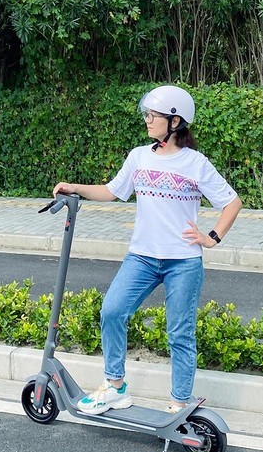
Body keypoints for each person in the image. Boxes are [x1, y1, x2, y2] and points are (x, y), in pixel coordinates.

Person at [53, 84, 242, 415]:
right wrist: (74, 187)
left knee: (179, 333)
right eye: (147, 114)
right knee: (113, 311)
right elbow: (112, 191)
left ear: (175, 121)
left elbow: (232, 202)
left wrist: (212, 237)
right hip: (141, 257)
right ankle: (115, 388)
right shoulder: (139, 157)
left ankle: (179, 404)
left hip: (183, 261)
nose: (147, 120)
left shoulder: (195, 163)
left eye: (153, 116)